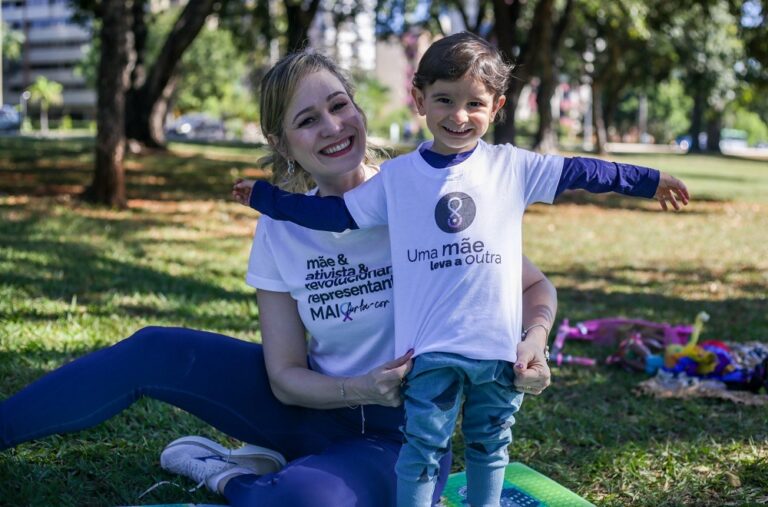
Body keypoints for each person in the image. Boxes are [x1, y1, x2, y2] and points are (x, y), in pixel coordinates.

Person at [0, 49, 556, 507]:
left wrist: (532, 341)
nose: (333, 127)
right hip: (312, 405)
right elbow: (286, 374)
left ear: (360, 111)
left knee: (294, 502)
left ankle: (225, 473)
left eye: (340, 106)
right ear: (281, 142)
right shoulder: (280, 229)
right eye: (307, 120)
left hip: (401, 440)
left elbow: (536, 288)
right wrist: (358, 387)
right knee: (154, 348)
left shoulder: (424, 197)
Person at [234, 32, 690, 507]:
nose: (458, 116)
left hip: (494, 354)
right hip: (427, 358)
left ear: (497, 108)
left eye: (474, 103)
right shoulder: (398, 182)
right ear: (418, 100)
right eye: (444, 100)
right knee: (423, 448)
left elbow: (585, 173)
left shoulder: (510, 167)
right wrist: (266, 199)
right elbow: (334, 217)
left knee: (491, 443)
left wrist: (650, 181)